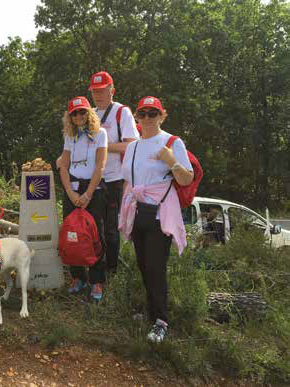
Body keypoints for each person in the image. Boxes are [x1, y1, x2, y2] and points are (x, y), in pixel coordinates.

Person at [119, 96, 194, 343]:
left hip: (160, 214)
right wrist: (124, 212)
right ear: (138, 118)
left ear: (162, 116)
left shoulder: (172, 142)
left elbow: (185, 179)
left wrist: (171, 161)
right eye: (143, 114)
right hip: (139, 211)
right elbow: (129, 182)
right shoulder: (132, 147)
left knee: (155, 267)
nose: (148, 118)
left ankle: (161, 321)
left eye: (153, 113)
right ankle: (150, 312)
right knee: (143, 264)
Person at [88, 71, 139, 274]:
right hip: (92, 180)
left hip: (114, 179)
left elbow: (131, 146)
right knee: (93, 228)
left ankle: (111, 271)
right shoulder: (89, 113)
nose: (98, 95)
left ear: (112, 91)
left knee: (110, 229)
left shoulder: (121, 112)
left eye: (102, 91)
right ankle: (95, 270)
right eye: (95, 91)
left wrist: (103, 146)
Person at [58, 96, 108, 301]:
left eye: (82, 112)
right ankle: (78, 277)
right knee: (72, 234)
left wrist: (88, 194)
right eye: (74, 113)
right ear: (69, 117)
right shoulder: (70, 135)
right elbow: (63, 165)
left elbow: (100, 165)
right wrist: (70, 192)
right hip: (73, 187)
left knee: (96, 234)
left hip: (93, 190)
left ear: (89, 113)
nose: (78, 116)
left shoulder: (101, 133)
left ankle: (96, 280)